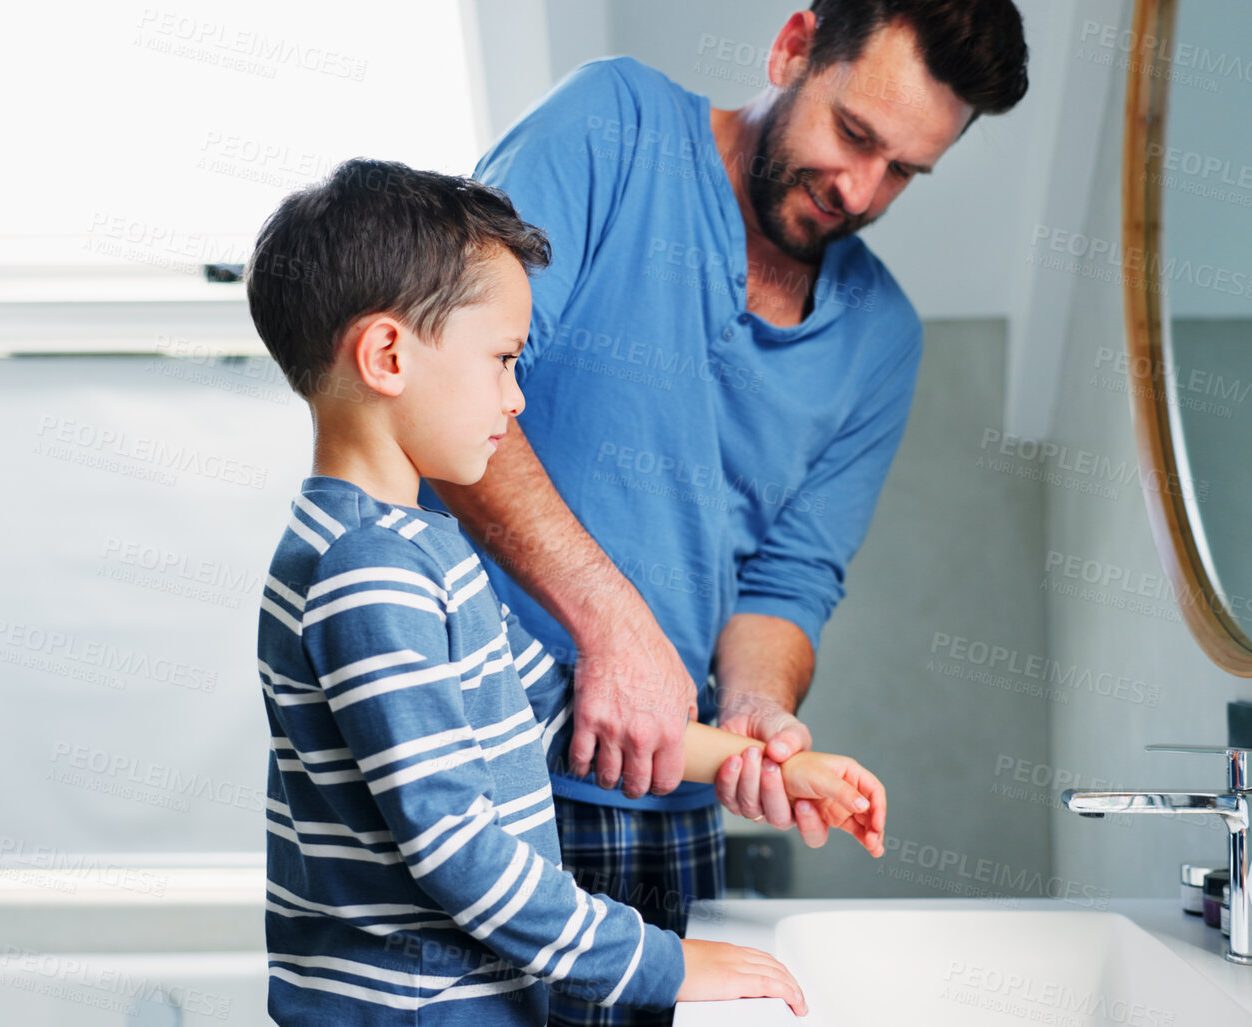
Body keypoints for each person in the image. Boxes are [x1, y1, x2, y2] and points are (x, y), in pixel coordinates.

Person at [418, 6, 1027, 1023]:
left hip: (657, 797)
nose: (861, 191)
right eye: (855, 135)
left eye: (905, 172)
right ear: (793, 48)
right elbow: (443, 378)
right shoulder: (609, 126)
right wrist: (613, 624)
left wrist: (755, 709)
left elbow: (789, 580)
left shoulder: (881, 337)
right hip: (466, 761)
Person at [242, 158, 888, 1026]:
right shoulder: (370, 572)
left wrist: (757, 763)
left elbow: (552, 715)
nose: (516, 398)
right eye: (503, 359)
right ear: (387, 354)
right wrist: (661, 962)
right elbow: (458, 852)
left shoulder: (413, 545)